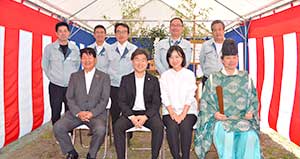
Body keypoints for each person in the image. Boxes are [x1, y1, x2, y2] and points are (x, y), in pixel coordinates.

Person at [194, 39, 262, 159]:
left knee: (250, 137)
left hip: (243, 120)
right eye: (228, 58)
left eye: (234, 57)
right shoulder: (213, 78)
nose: (231, 61)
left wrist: (251, 112)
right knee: (227, 138)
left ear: (238, 58)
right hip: (222, 121)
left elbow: (254, 99)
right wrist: (214, 114)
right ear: (222, 60)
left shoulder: (245, 77)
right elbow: (205, 102)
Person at [53, 48, 111, 159]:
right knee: (58, 127)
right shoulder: (74, 76)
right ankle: (71, 152)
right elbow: (69, 97)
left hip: (96, 115)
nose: (87, 60)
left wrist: (92, 113)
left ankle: (91, 154)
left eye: (90, 57)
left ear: (95, 59)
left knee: (100, 130)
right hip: (76, 113)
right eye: (84, 57)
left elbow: (104, 99)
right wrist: (78, 112)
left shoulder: (104, 77)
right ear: (81, 60)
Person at [113, 48, 164, 159]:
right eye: (137, 59)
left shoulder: (154, 80)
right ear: (132, 62)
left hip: (148, 113)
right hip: (130, 113)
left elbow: (156, 102)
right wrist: (131, 116)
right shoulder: (126, 79)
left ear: (147, 63)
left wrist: (146, 116)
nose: (140, 63)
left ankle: (154, 157)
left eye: (143, 60)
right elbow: (121, 101)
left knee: (159, 127)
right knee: (117, 127)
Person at [159, 45, 198, 159]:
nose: (174, 60)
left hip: (188, 111)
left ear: (182, 58)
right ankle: (176, 157)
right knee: (172, 127)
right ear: (168, 60)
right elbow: (164, 96)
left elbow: (190, 95)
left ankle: (185, 156)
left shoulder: (189, 74)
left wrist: (182, 114)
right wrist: (173, 113)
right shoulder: (165, 76)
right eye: (171, 57)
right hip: (169, 111)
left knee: (185, 126)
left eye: (177, 57)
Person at [42, 21, 80, 125]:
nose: (63, 33)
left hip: (70, 86)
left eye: (65, 31)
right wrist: (53, 78)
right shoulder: (49, 48)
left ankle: (70, 132)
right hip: (55, 86)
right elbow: (45, 65)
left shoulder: (75, 49)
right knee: (56, 111)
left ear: (69, 33)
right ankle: (58, 134)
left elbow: (77, 66)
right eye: (60, 31)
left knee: (70, 111)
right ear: (56, 33)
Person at [107, 23, 138, 125]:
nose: (121, 34)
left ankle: (128, 135)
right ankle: (117, 135)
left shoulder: (134, 49)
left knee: (128, 111)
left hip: (128, 86)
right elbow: (105, 67)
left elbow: (137, 67)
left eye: (124, 32)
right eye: (118, 32)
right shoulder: (109, 49)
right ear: (115, 34)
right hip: (113, 85)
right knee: (115, 111)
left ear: (128, 34)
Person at [199, 20, 225, 86]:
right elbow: (202, 61)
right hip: (208, 80)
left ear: (223, 31)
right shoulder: (205, 45)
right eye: (215, 30)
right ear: (212, 32)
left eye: (219, 29)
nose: (217, 32)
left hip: (224, 80)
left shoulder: (229, 44)